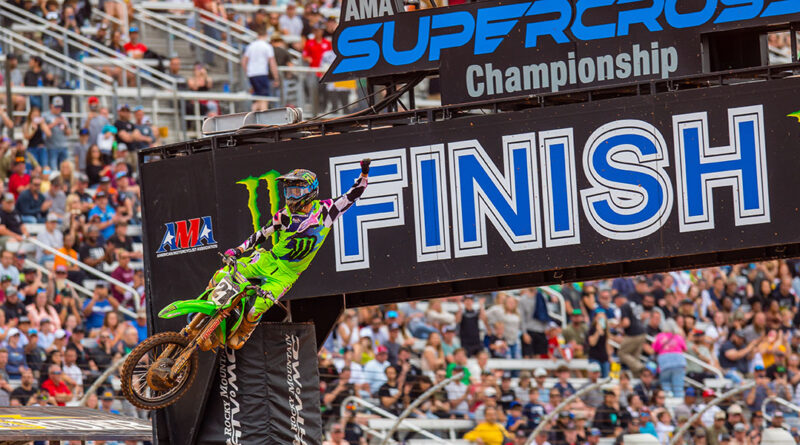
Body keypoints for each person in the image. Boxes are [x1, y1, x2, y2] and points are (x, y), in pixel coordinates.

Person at [219, 160, 370, 349]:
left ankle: (245, 330)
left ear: (311, 191)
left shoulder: (326, 211)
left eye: (297, 192)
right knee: (223, 274)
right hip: (267, 260)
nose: (292, 196)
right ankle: (206, 305)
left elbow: (352, 196)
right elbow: (261, 234)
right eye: (289, 191)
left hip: (287, 275)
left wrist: (364, 174)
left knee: (255, 310)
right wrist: (239, 249)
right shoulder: (283, 215)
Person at [242, 25, 280, 110]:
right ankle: (263, 121)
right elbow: (272, 63)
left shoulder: (251, 46)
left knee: (257, 99)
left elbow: (244, 61)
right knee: (264, 99)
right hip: (261, 74)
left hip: (252, 74)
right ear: (266, 35)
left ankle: (252, 118)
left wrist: (247, 72)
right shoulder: (267, 46)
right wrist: (276, 77)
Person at [42, 97, 71, 170]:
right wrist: (54, 123)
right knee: (53, 169)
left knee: (64, 169)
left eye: (60, 107)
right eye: (56, 106)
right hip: (51, 147)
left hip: (63, 146)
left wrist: (66, 125)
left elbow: (68, 133)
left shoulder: (64, 116)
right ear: (51, 105)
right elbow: (42, 130)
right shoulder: (45, 115)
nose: (58, 109)